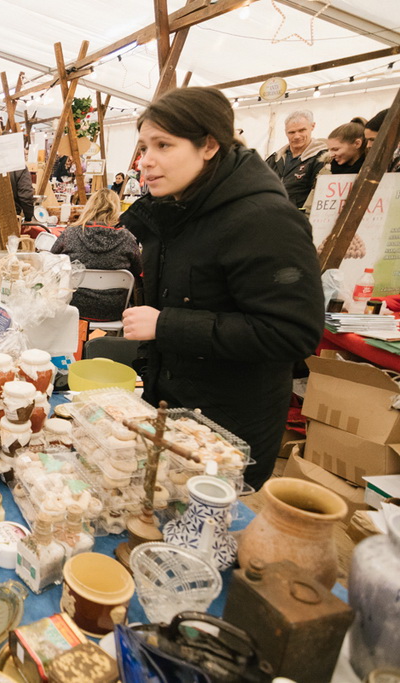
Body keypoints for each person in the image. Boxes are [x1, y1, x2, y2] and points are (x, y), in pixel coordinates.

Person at [119, 87, 323, 491]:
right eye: (143, 147)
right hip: (178, 415)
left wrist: (167, 326)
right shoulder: (177, 210)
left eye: (163, 145)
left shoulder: (265, 220)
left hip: (229, 433)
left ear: (209, 145)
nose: (146, 162)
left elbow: (292, 332)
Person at [55, 188, 141, 321]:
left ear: (89, 207)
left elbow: (50, 261)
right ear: (115, 209)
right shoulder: (127, 238)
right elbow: (138, 270)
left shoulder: (70, 234)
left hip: (74, 307)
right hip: (114, 310)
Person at [265, 110, 327, 208]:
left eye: (302, 130)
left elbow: (319, 196)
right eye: (292, 132)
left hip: (299, 219)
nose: (297, 136)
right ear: (285, 132)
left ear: (312, 126)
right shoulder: (274, 159)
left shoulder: (321, 158)